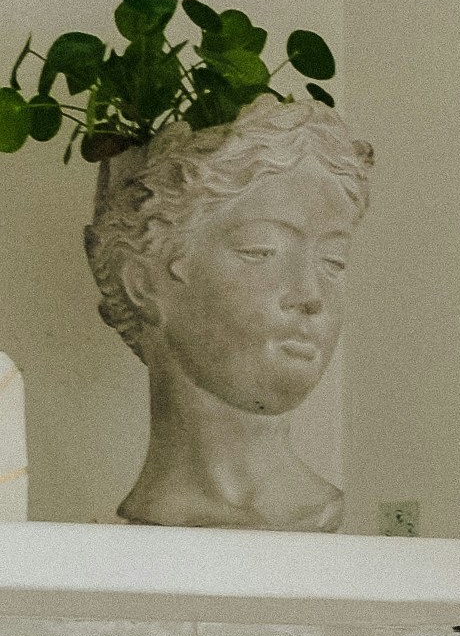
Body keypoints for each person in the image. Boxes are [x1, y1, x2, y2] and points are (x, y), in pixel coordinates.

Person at [83, 92, 373, 529]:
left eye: (334, 261)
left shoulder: (356, 526)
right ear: (142, 281)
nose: (311, 293)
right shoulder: (106, 550)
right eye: (262, 251)